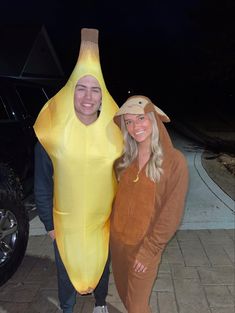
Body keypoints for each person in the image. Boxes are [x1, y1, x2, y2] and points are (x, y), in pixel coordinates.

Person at [33, 28, 123, 313]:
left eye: (95, 89)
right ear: (71, 92)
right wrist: (49, 225)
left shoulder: (117, 134)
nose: (88, 96)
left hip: (103, 221)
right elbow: (43, 183)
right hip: (65, 222)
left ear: (102, 96)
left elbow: (126, 178)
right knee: (65, 269)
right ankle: (67, 307)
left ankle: (99, 305)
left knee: (101, 264)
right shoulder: (53, 134)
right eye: (81, 88)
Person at [110, 95, 189, 313]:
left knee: (136, 307)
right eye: (129, 122)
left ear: (153, 119)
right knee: (126, 299)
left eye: (141, 118)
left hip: (144, 248)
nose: (136, 127)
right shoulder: (123, 160)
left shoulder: (174, 162)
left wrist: (149, 251)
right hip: (118, 246)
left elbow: (171, 214)